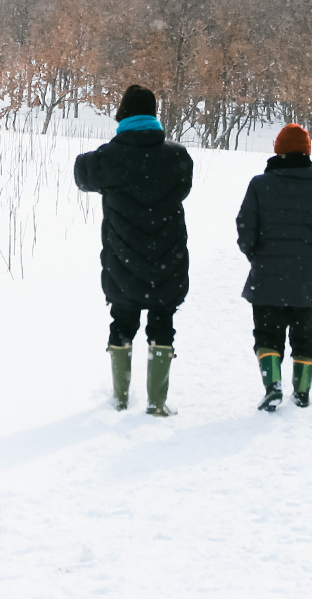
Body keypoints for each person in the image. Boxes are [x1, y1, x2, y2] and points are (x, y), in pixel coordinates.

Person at [73, 85, 193, 416]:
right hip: (167, 258)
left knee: (122, 322)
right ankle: (156, 404)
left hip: (123, 261)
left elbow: (81, 174)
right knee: (163, 324)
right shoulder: (178, 157)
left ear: (122, 113)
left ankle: (121, 400)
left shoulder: (108, 158)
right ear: (153, 115)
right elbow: (183, 187)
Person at [236, 123, 312, 411]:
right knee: (305, 339)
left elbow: (245, 226)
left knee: (267, 336)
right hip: (307, 279)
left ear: (277, 149)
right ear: (307, 152)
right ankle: (302, 391)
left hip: (267, 278)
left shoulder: (260, 184)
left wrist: (255, 255)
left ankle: (273, 387)